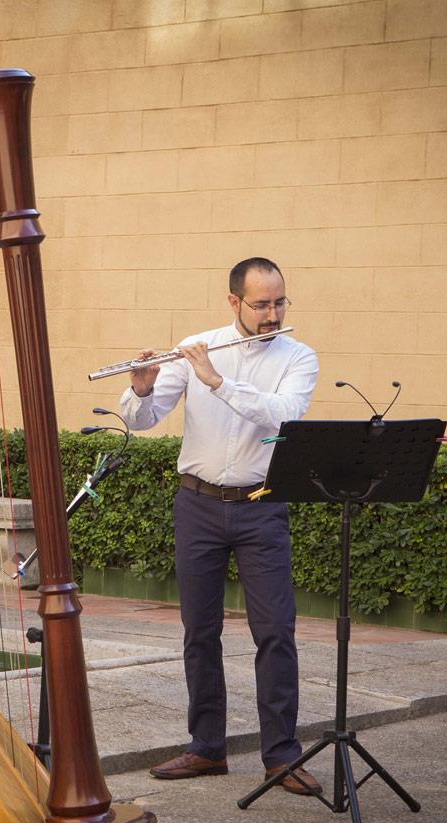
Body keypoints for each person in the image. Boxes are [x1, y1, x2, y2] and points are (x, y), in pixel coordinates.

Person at [119, 257, 322, 795]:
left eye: (280, 303)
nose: (273, 314)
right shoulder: (197, 347)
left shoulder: (298, 357)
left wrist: (217, 381)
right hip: (198, 504)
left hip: (261, 506)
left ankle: (281, 756)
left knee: (275, 631)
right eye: (261, 305)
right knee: (200, 631)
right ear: (234, 302)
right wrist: (141, 390)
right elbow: (142, 421)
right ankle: (207, 747)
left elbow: (284, 415)